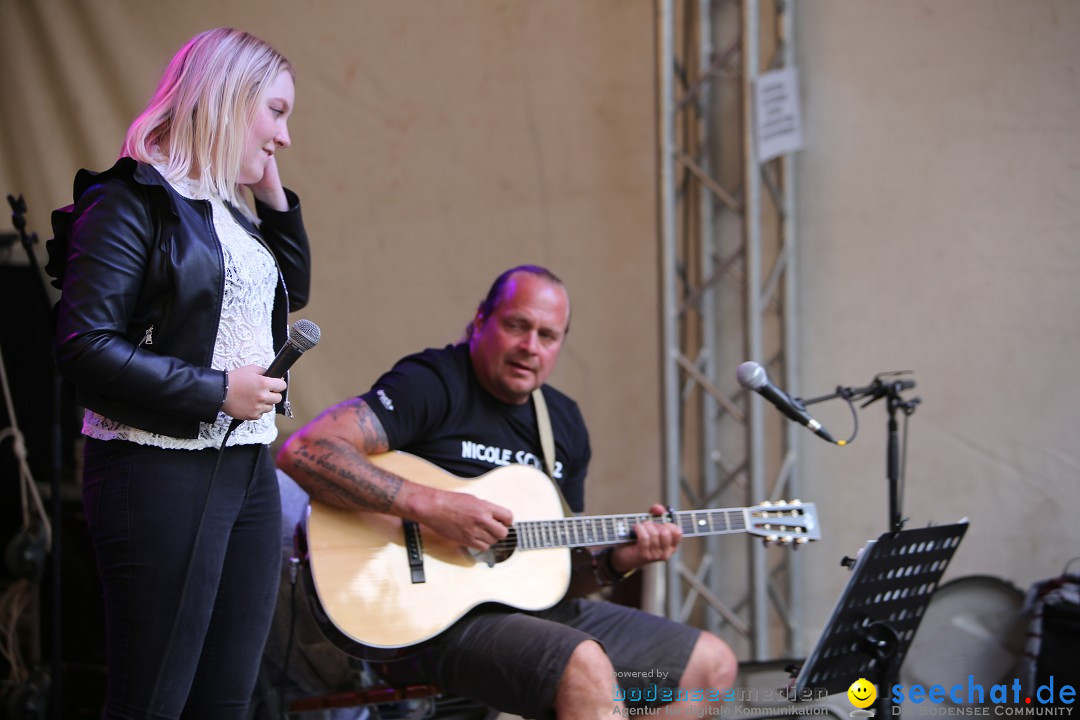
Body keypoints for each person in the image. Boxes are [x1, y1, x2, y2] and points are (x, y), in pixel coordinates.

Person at [277, 265, 737, 720]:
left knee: (710, 668)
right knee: (583, 664)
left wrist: (617, 562)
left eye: (547, 336)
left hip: (528, 615)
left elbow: (556, 575)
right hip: (425, 622)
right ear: (480, 321)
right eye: (517, 325)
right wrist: (434, 506)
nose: (529, 347)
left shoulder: (563, 423)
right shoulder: (434, 382)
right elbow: (305, 451)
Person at [45, 28, 310, 719]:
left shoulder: (228, 206)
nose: (284, 134)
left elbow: (297, 284)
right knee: (154, 698)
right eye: (276, 112)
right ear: (228, 97)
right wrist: (217, 390)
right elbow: (82, 343)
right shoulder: (129, 199)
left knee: (227, 695)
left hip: (248, 468)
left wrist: (268, 183)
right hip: (156, 468)